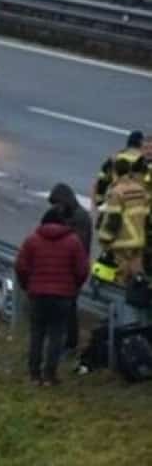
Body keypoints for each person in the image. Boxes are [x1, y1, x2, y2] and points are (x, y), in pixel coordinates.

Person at [15, 207, 89, 386]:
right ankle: (50, 375)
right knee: (57, 334)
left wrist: (28, 285)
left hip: (37, 294)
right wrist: (73, 287)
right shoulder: (73, 241)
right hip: (62, 296)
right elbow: (82, 270)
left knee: (37, 333)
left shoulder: (32, 240)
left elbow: (21, 267)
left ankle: (34, 375)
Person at [49, 183, 92, 354]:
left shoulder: (79, 217)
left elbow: (78, 245)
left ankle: (70, 342)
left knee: (69, 306)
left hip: (73, 269)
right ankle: (65, 340)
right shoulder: (69, 215)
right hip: (65, 267)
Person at [98, 157, 150, 285]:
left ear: (115, 172)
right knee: (137, 275)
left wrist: (105, 240)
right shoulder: (140, 189)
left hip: (122, 242)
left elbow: (113, 220)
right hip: (139, 239)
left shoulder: (117, 192)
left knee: (121, 276)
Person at [91, 130, 144, 218]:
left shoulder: (114, 159)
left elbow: (101, 182)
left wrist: (99, 203)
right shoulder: (145, 161)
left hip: (116, 204)